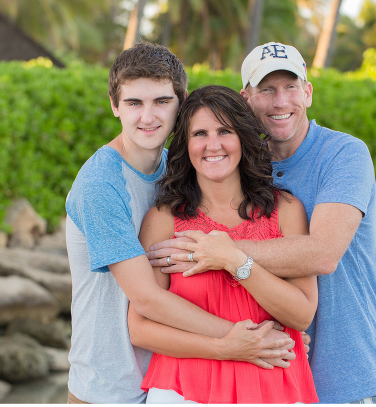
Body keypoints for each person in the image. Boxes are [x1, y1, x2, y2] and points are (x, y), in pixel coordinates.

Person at [148, 42, 376, 404]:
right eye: (267, 90)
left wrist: (211, 251)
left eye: (291, 87)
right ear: (246, 100)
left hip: (353, 376)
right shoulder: (237, 165)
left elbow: (323, 254)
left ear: (308, 93)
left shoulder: (343, 154)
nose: (280, 102)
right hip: (280, 372)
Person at [64, 43, 297, 405]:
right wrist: (246, 337)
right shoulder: (101, 185)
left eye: (161, 101)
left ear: (181, 103)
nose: (148, 117)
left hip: (167, 375)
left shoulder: (169, 177)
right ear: (114, 106)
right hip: (108, 386)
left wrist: (276, 330)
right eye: (134, 103)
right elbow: (148, 299)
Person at [128, 85, 319, 404]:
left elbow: (301, 316)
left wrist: (235, 260)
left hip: (274, 389)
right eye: (199, 133)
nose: (212, 145)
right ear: (185, 145)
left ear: (242, 137)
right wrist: (227, 347)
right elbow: (141, 329)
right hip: (184, 391)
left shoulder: (284, 211)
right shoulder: (163, 220)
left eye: (224, 131)